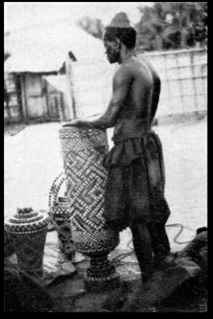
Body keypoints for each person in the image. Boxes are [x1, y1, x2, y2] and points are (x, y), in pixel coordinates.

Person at [63, 12, 171, 283]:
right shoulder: (147, 66)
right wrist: (137, 127)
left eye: (106, 47)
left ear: (116, 43)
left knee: (138, 217)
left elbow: (108, 119)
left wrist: (78, 121)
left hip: (130, 149)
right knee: (154, 210)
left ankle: (149, 282)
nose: (105, 53)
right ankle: (166, 268)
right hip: (148, 143)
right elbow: (149, 109)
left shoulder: (124, 70)